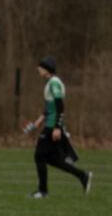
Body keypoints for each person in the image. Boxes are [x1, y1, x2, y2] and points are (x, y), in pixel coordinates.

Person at [29, 56, 92, 198]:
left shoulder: (54, 83)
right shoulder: (51, 82)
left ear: (47, 68)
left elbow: (59, 106)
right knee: (51, 159)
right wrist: (41, 118)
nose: (38, 69)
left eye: (40, 67)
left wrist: (57, 127)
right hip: (50, 123)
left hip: (52, 126)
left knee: (39, 155)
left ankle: (42, 191)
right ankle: (82, 175)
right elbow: (51, 106)